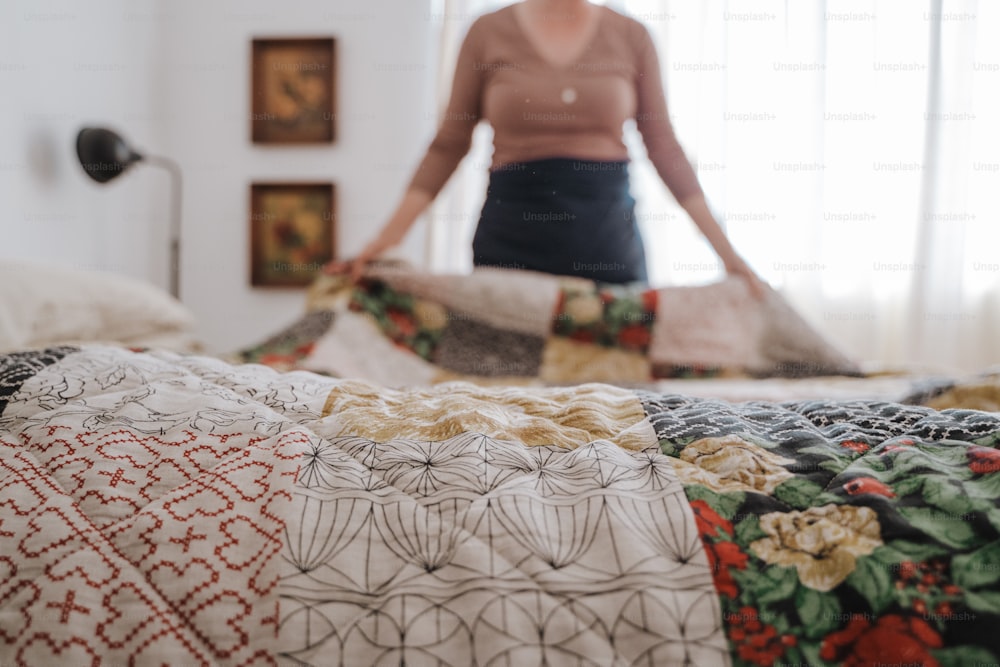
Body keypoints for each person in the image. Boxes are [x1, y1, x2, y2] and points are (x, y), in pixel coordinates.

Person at [326, 0, 765, 296]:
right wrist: (382, 244)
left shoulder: (631, 36)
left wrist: (731, 259)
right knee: (505, 410)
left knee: (618, 407)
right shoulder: (486, 32)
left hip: (606, 242)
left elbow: (665, 149)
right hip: (510, 244)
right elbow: (448, 145)